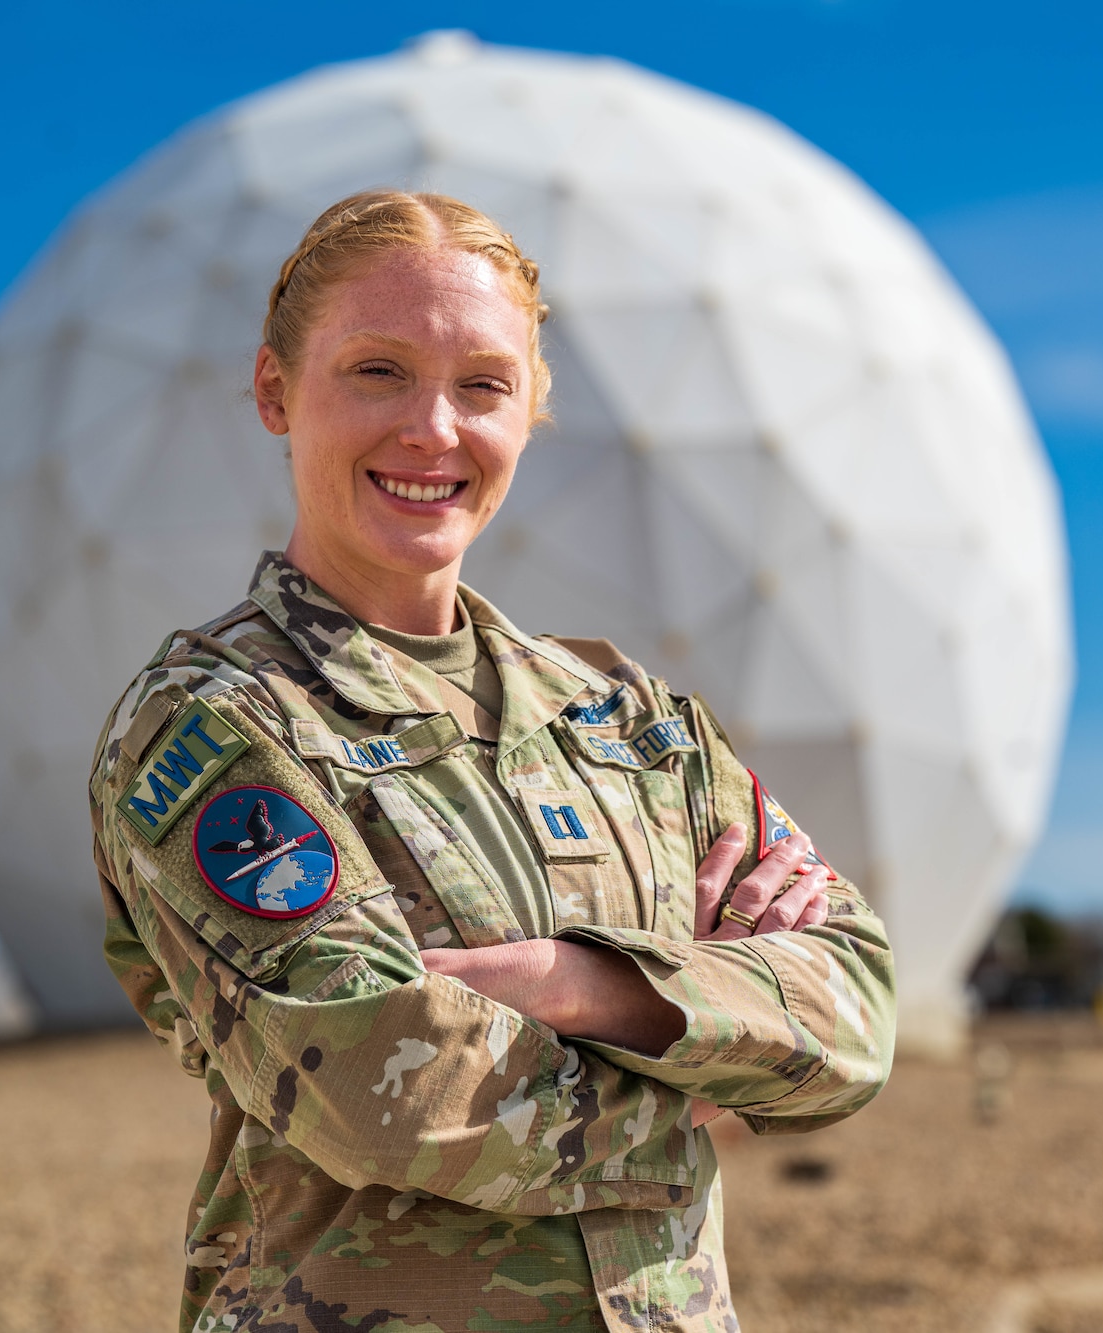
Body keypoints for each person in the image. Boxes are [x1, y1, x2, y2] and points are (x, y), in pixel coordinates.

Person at [86, 189, 896, 1333]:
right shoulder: (217, 722)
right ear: (275, 391)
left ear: (531, 408)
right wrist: (712, 1058)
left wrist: (587, 988)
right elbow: (383, 1091)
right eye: (376, 370)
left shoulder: (627, 716)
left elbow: (857, 1006)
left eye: (481, 384)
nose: (433, 430)